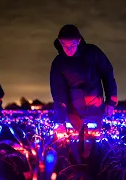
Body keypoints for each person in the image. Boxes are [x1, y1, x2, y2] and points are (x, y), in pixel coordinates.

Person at [50, 24, 118, 161]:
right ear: (60, 42)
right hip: (73, 112)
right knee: (74, 148)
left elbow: (107, 74)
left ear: (79, 40)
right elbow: (58, 93)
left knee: (93, 147)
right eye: (65, 45)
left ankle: (95, 169)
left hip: (95, 109)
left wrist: (111, 101)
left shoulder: (93, 53)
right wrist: (61, 120)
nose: (69, 49)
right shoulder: (58, 63)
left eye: (72, 45)